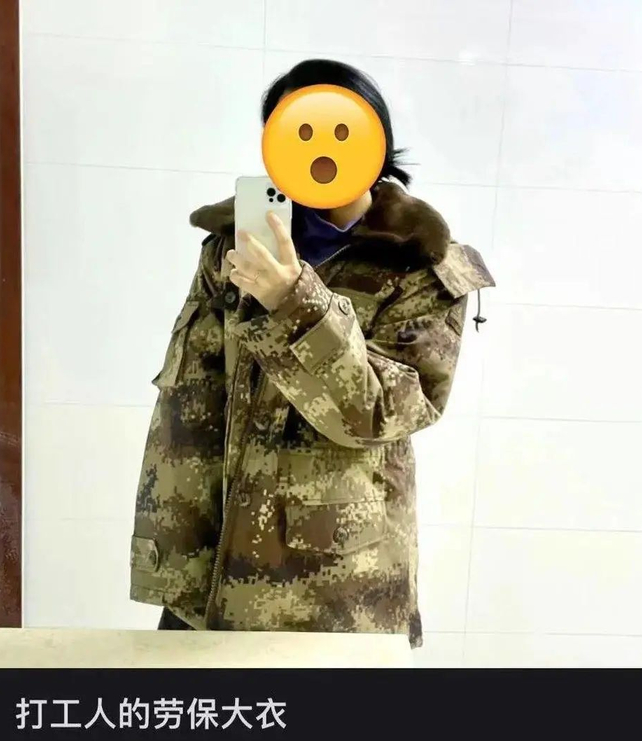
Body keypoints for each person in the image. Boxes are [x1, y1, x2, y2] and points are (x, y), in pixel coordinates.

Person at [129, 59, 495, 648]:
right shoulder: (234, 246)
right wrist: (174, 554)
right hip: (208, 580)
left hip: (331, 593)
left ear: (375, 141)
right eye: (296, 128)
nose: (319, 147)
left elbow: (381, 412)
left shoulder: (421, 267)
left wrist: (293, 301)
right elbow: (196, 404)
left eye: (338, 127)